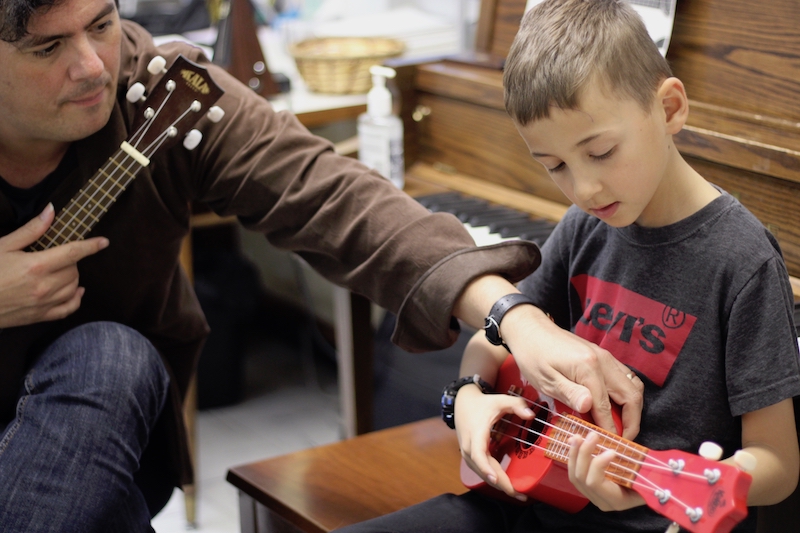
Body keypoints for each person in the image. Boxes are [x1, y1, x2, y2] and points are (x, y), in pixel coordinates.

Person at [0, 0, 645, 530]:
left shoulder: (157, 93)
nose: (91, 66)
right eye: (48, 48)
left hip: (104, 432)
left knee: (110, 358)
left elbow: (332, 197)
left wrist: (514, 317)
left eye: (102, 26)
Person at [334, 1, 800, 532]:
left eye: (600, 152)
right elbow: (497, 338)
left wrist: (682, 479)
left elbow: (779, 466)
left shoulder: (742, 259)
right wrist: (467, 396)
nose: (583, 189)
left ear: (669, 110)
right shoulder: (586, 226)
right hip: (530, 501)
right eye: (554, 165)